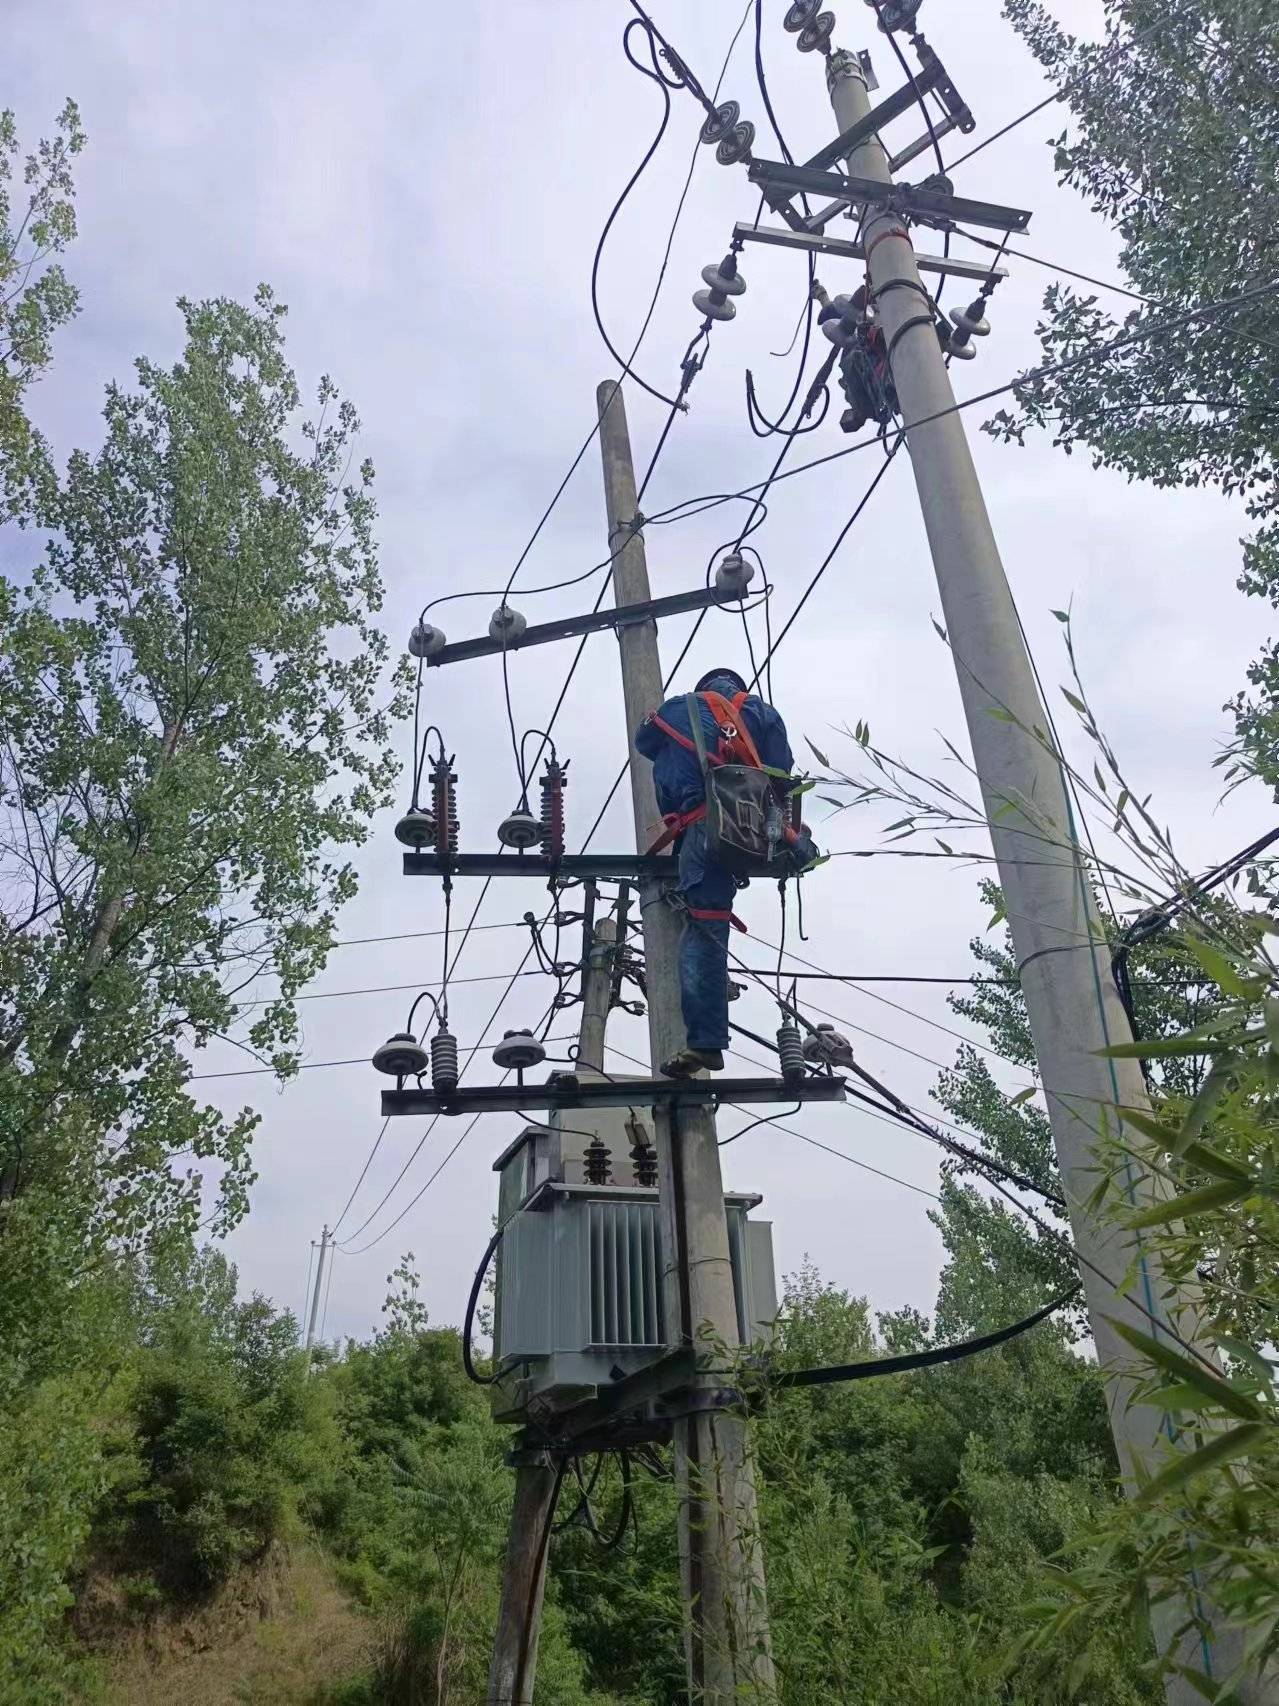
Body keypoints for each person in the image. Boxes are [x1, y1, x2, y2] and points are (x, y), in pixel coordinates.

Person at [634, 666, 813, 1078]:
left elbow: (646, 742)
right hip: (749, 832)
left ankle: (706, 1043)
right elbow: (782, 776)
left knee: (706, 929)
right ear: (738, 688)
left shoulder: (680, 708)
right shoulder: (763, 714)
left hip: (699, 831)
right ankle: (705, 1037)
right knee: (710, 919)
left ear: (703, 689)